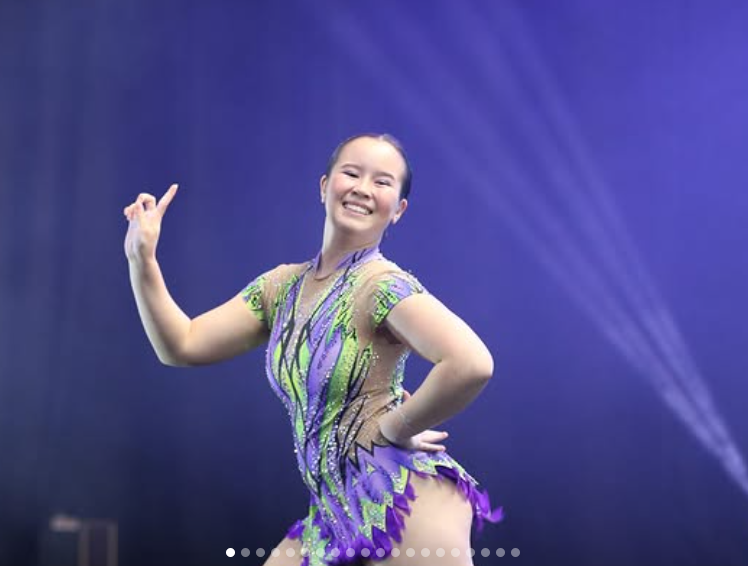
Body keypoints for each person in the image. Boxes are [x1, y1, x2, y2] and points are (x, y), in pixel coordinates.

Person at [123, 134, 502, 565]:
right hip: (332, 513)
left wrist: (396, 429)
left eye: (382, 182)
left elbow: (471, 363)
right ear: (324, 186)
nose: (362, 188)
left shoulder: (382, 285)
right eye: (351, 173)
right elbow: (182, 344)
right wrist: (142, 261)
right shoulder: (281, 288)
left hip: (401, 496)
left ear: (398, 209)